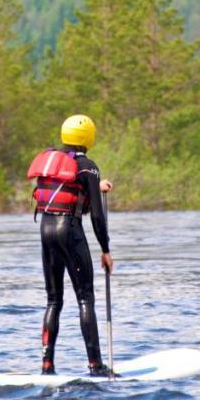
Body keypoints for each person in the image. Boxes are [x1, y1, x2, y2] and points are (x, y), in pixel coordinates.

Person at [30, 114, 115, 376]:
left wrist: (95, 185)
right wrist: (105, 249)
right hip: (69, 230)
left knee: (53, 300)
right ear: (88, 137)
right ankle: (95, 365)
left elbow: (70, 184)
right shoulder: (88, 165)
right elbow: (98, 216)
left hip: (46, 230)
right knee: (85, 299)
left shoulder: (55, 161)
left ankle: (47, 366)